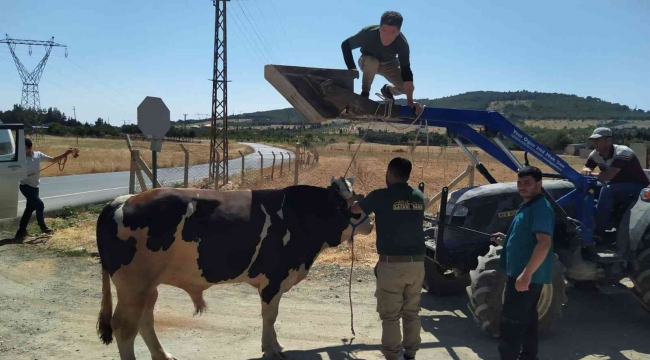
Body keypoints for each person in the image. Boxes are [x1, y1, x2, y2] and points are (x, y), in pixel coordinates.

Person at [350, 157, 425, 360]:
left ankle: (392, 356)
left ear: (390, 173)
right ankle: (410, 353)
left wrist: (354, 201)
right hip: (417, 264)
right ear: (407, 175)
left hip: (392, 264)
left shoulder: (381, 196)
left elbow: (356, 209)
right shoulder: (418, 196)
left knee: (391, 315)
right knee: (412, 312)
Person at [490, 166, 554, 360]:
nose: (522, 187)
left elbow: (544, 243)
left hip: (525, 276)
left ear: (539, 184)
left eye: (527, 183)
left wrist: (526, 274)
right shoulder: (528, 206)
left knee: (510, 324)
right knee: (528, 322)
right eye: (519, 183)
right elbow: (527, 237)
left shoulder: (541, 207)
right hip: (523, 275)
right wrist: (506, 238)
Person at [341, 11, 423, 114]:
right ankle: (364, 95)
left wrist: (410, 101)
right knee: (372, 62)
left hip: (389, 64)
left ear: (398, 32)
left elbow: (406, 72)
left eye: (392, 32)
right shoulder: (368, 33)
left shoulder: (402, 44)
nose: (387, 36)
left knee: (407, 89)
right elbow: (345, 45)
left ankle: (387, 90)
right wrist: (352, 69)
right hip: (367, 61)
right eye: (384, 30)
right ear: (379, 28)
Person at [580, 127, 650, 239]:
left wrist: (590, 174)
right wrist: (587, 169)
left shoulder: (623, 152)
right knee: (587, 187)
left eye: (598, 140)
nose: (594, 142)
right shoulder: (595, 154)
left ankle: (598, 232)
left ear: (608, 140)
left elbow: (608, 175)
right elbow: (587, 167)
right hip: (615, 184)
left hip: (637, 187)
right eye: (593, 140)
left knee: (607, 190)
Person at [14, 138, 76, 241]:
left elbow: (53, 159)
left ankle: (21, 231)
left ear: (30, 148)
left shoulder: (38, 155)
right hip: (25, 187)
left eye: (24, 148)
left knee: (30, 208)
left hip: (35, 187)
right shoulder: (20, 159)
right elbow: (14, 172)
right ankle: (43, 227)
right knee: (40, 205)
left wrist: (66, 153)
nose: (22, 150)